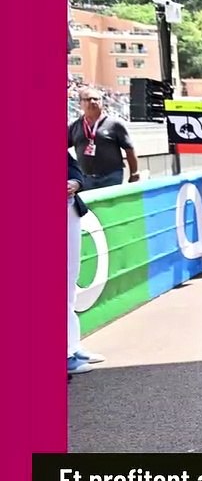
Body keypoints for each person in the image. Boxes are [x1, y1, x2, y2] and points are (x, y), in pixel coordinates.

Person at [66, 153, 102, 379]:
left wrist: (74, 183)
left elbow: (73, 166)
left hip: (69, 210)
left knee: (69, 280)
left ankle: (71, 344)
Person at [68, 87, 140, 190]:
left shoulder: (115, 124)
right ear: (80, 103)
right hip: (85, 178)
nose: (92, 102)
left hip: (111, 177)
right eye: (88, 99)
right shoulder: (74, 126)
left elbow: (129, 149)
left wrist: (134, 173)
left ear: (102, 102)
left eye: (96, 99)